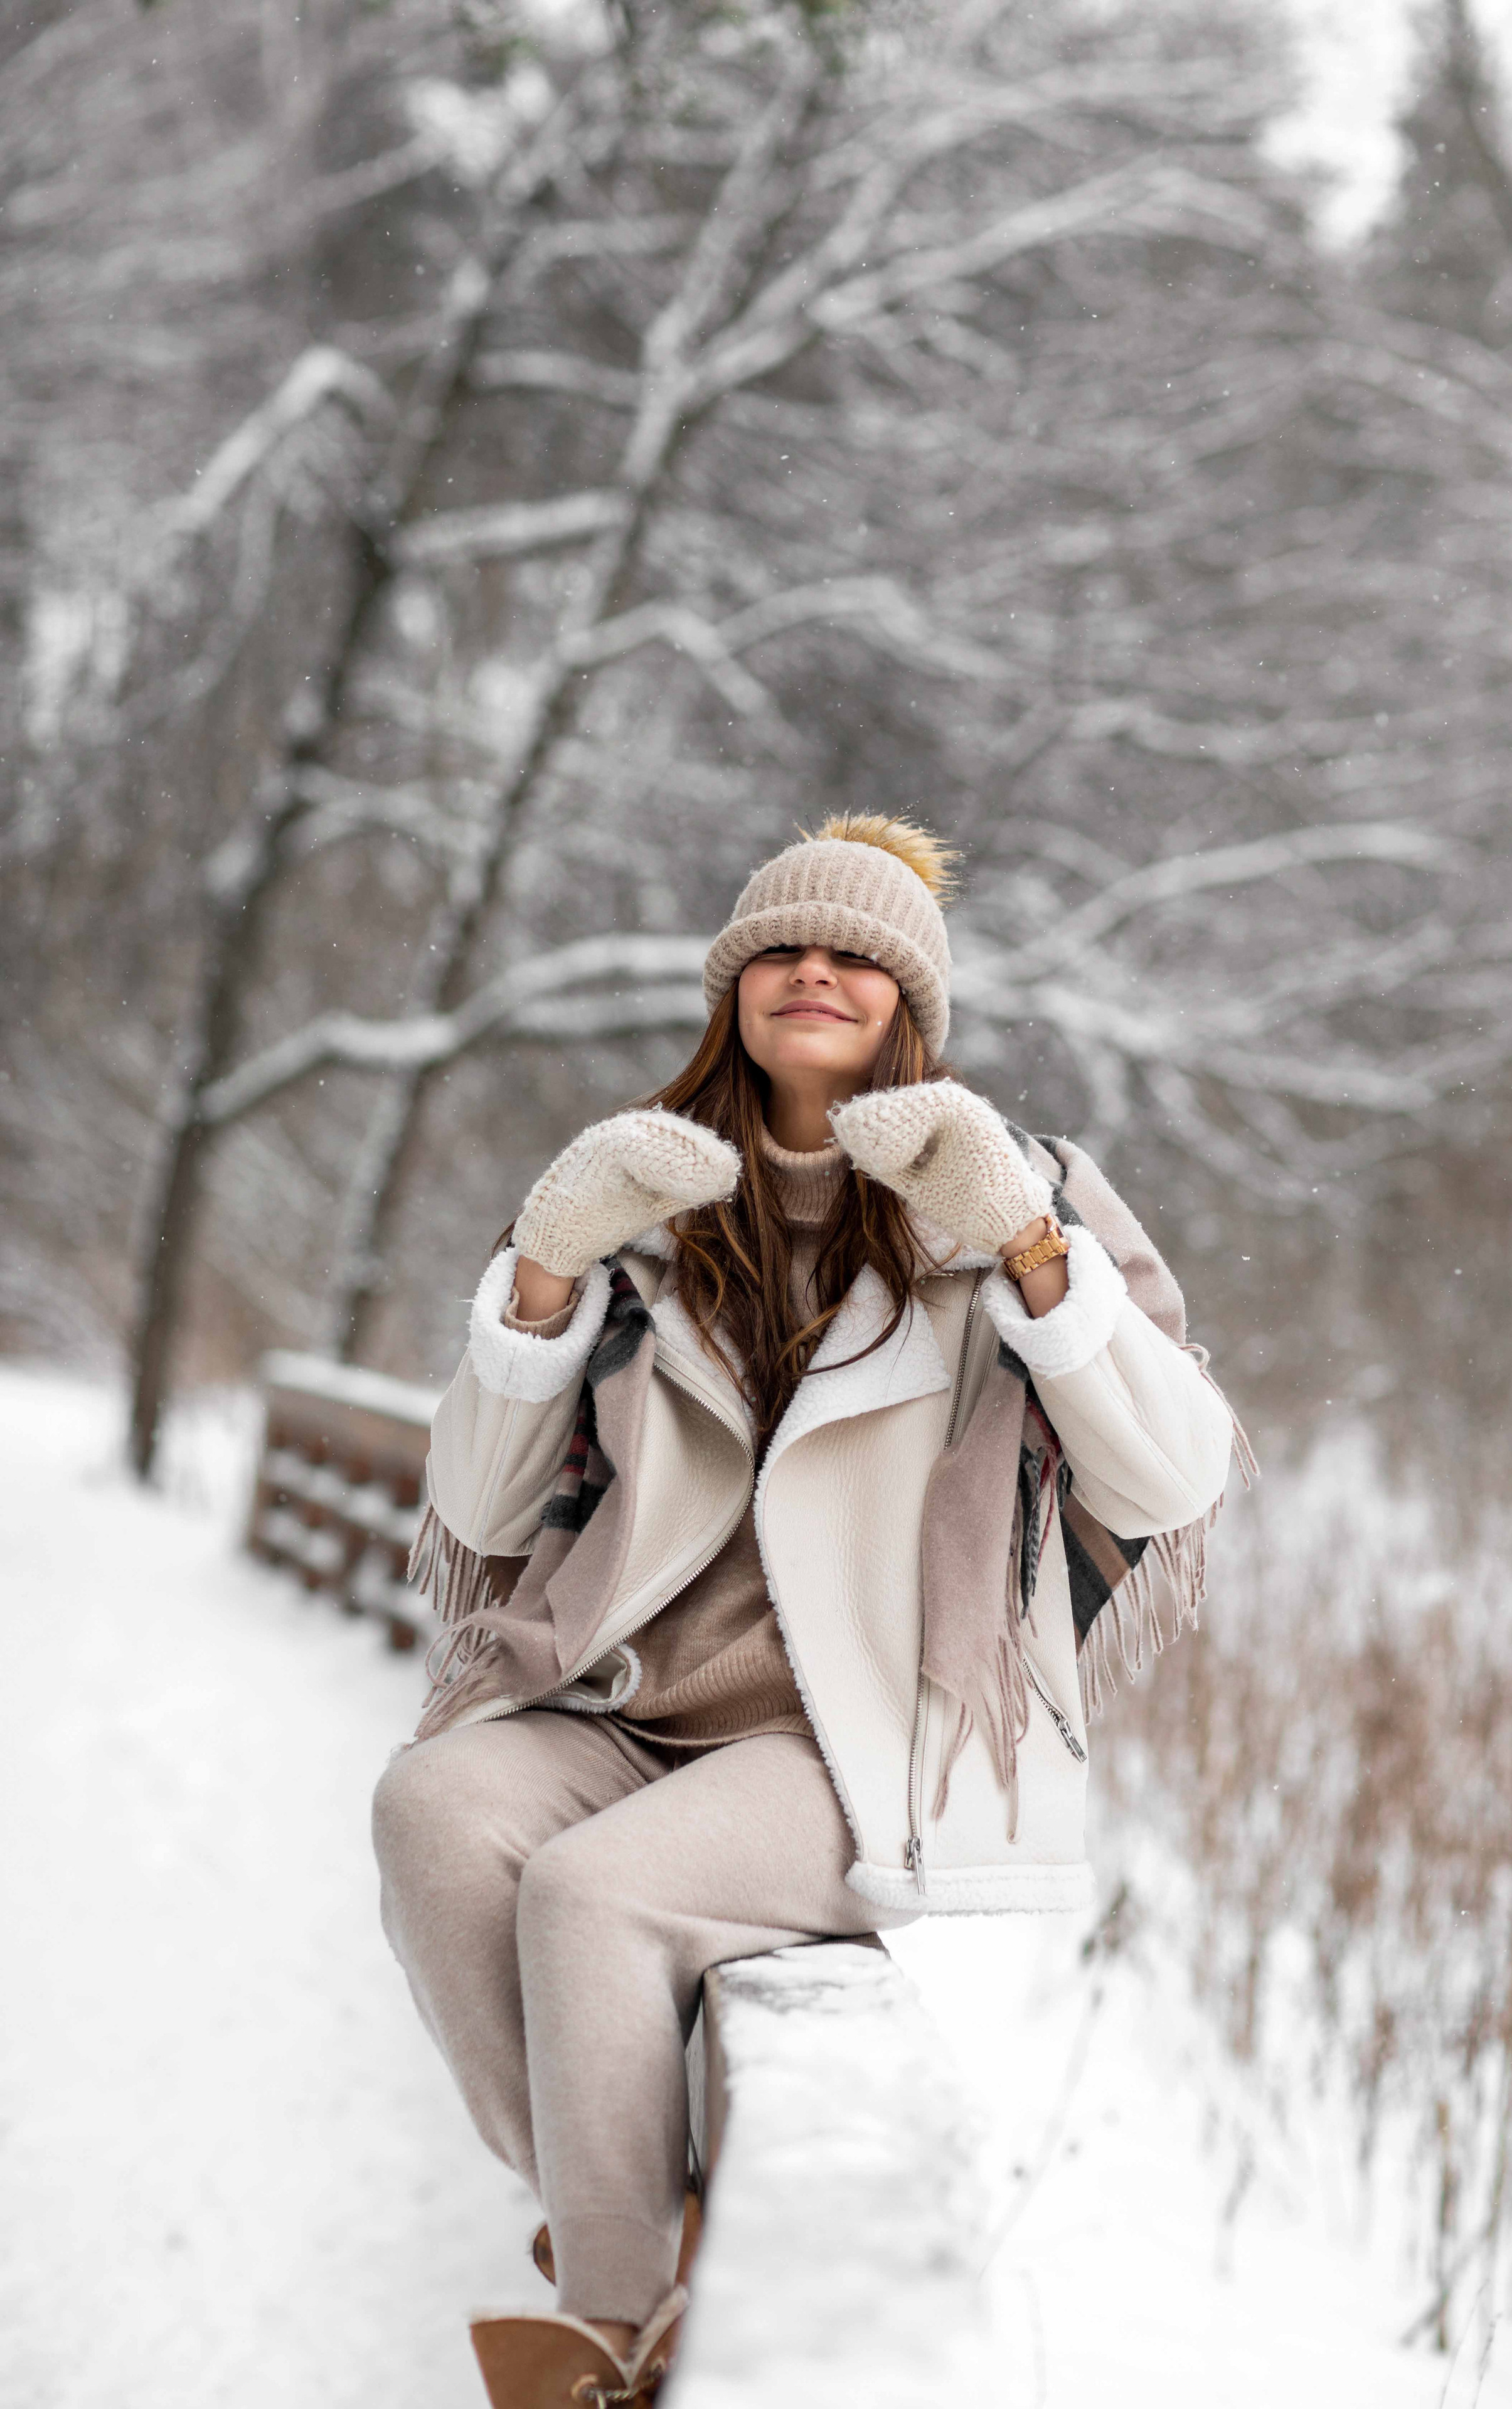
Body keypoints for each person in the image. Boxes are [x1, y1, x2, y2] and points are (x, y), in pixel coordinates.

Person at [372, 815, 1238, 2406]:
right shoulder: (640, 1193)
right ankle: (608, 2227)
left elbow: (1175, 1477)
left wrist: (1026, 1251)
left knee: (587, 1898)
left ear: (913, 1003)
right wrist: (547, 1274)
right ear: (733, 992)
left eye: (857, 952)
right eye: (779, 946)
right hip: (632, 1707)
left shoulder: (1021, 1195)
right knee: (434, 1806)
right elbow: (486, 1517)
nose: (815, 969)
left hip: (854, 1735)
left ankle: (615, 2347)